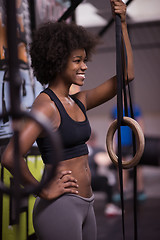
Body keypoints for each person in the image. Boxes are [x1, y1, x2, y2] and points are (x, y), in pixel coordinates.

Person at [1, 1, 134, 239]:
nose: (84, 66)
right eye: (77, 60)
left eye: (84, 60)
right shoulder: (46, 108)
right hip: (60, 207)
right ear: (58, 60)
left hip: (87, 203)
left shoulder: (78, 100)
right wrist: (42, 190)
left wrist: (122, 23)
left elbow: (126, 75)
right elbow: (10, 156)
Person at [111, 101, 147, 202]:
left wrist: (141, 142)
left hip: (134, 142)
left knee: (138, 166)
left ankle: (140, 191)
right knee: (122, 166)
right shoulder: (115, 109)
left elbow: (141, 124)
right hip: (122, 142)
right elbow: (112, 127)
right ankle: (122, 191)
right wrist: (113, 145)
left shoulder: (135, 108)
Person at [87, 132, 122, 217]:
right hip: (89, 180)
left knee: (107, 179)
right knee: (107, 179)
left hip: (84, 181)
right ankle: (110, 206)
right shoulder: (94, 150)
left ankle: (110, 206)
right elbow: (104, 161)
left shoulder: (92, 150)